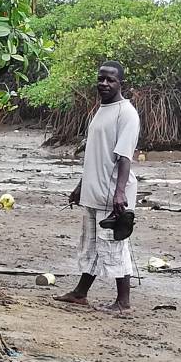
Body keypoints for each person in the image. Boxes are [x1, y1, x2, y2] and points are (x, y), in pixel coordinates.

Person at [54, 61, 141, 312]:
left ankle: (123, 302)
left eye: (110, 80)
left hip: (112, 194)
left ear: (121, 83)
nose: (104, 83)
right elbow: (96, 155)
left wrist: (120, 193)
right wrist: (81, 186)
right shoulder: (102, 110)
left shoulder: (126, 114)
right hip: (94, 190)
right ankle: (80, 293)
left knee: (114, 246)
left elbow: (124, 157)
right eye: (101, 78)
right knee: (91, 246)